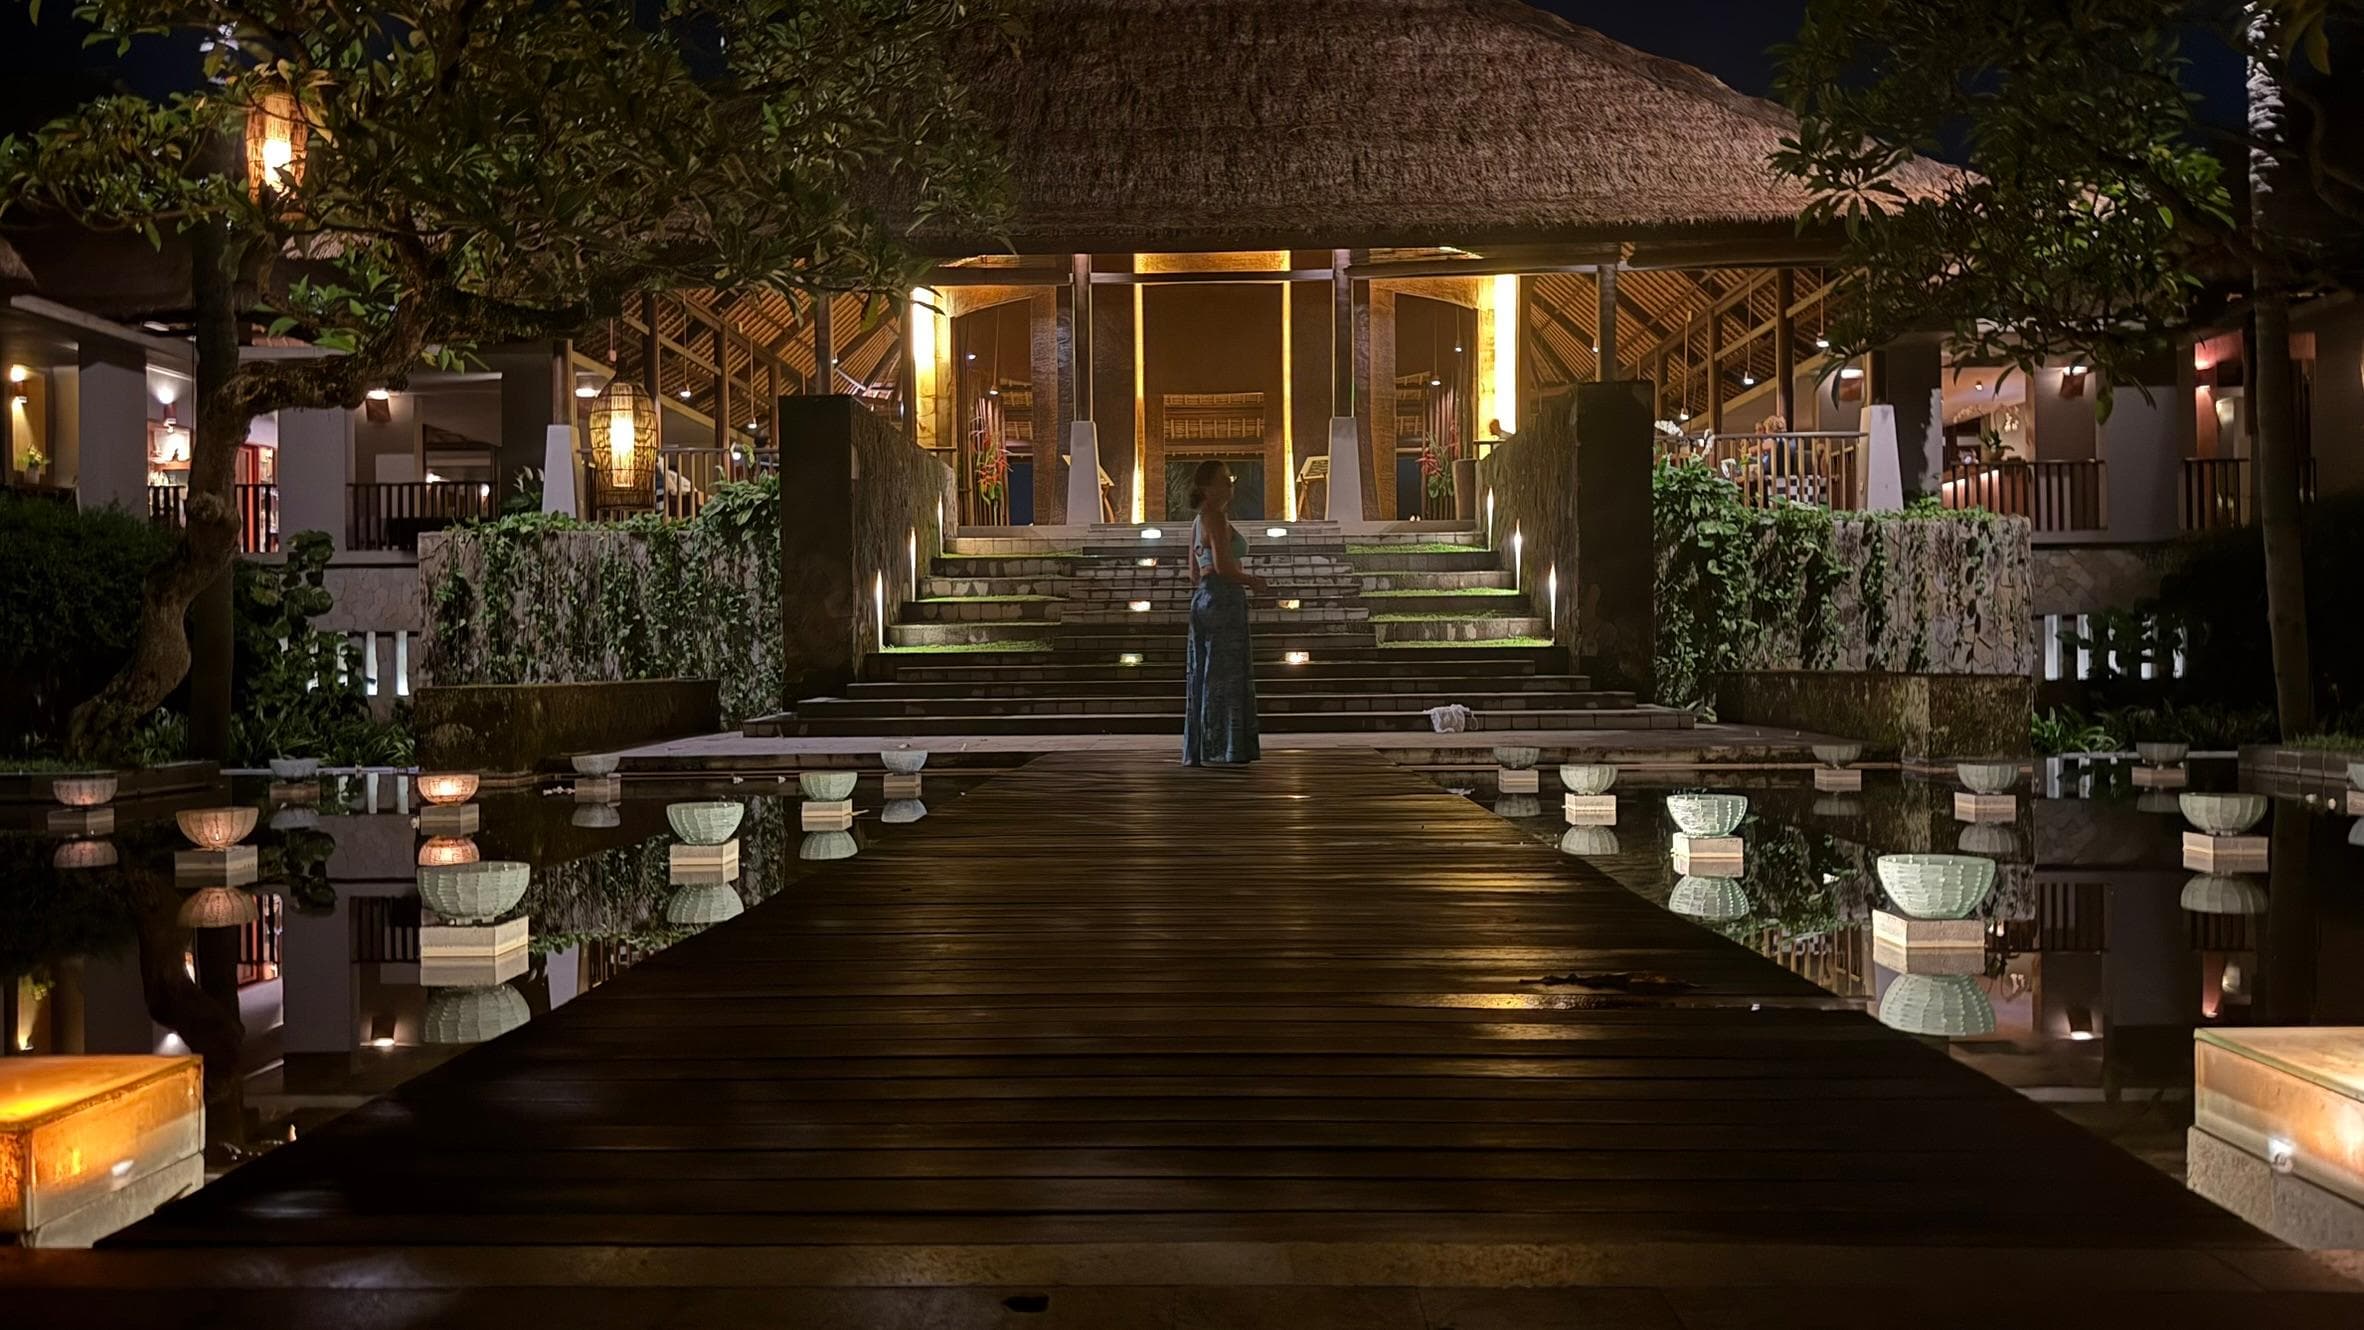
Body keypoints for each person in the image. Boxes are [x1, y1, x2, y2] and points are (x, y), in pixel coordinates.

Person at [1183, 460, 1269, 766]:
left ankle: (1204, 746)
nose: (1230, 483)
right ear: (1207, 487)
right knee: (1228, 675)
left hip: (1203, 600)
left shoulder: (1197, 522)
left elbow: (1194, 573)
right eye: (1223, 479)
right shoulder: (1215, 518)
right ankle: (1227, 746)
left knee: (1205, 673)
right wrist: (1253, 581)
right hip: (1223, 599)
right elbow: (1223, 567)